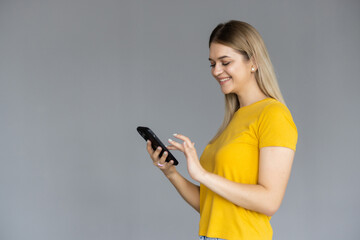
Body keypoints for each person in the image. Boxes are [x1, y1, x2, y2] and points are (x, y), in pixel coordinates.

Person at [146, 20, 298, 240]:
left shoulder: (274, 115)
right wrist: (170, 172)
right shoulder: (234, 119)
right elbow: (211, 206)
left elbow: (269, 202)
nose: (216, 71)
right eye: (212, 63)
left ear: (253, 62)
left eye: (225, 62)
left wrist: (203, 175)